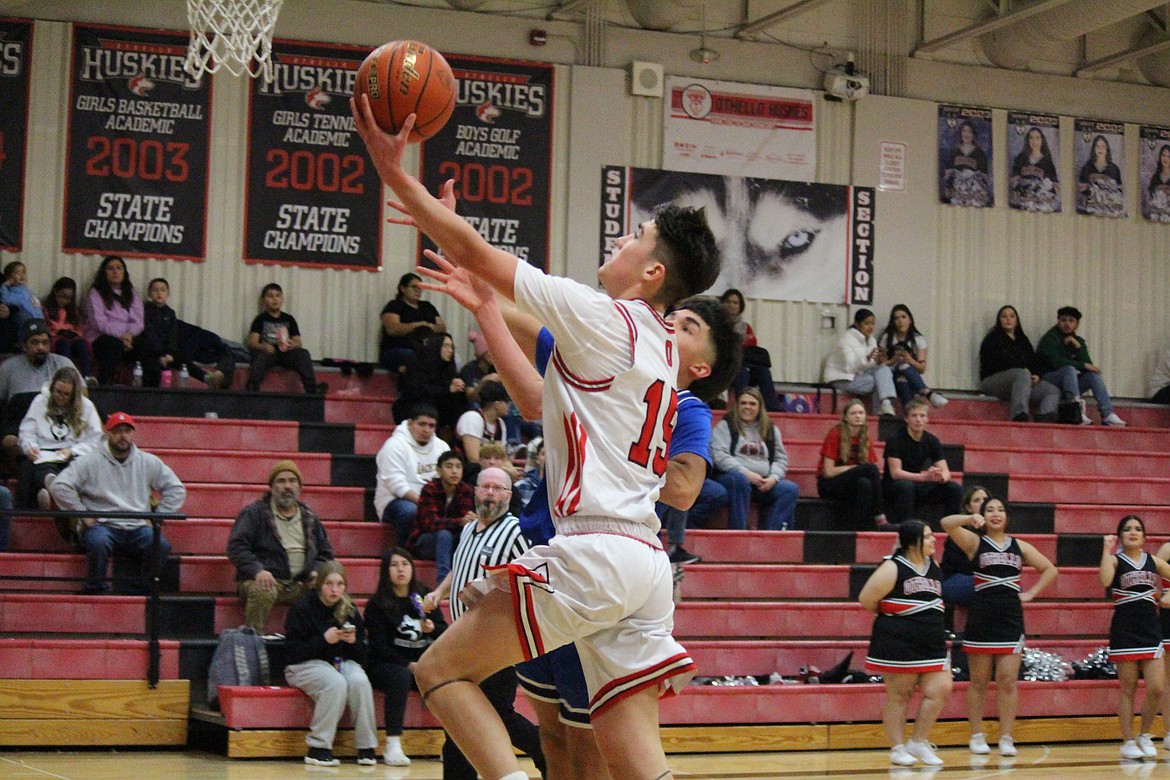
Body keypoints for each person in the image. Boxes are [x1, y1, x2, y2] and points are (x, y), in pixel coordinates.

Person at [354, 97, 720, 780]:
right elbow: (533, 397)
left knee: (440, 672)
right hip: (645, 565)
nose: (621, 241)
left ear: (653, 274)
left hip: (596, 549)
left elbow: (476, 251)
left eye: (635, 237)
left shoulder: (609, 319)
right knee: (636, 758)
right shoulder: (659, 355)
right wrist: (489, 308)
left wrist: (395, 176)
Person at [419, 467, 546, 779]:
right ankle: (547, 756)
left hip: (495, 641)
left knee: (492, 715)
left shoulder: (516, 531)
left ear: (509, 494)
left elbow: (532, 577)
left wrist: (489, 590)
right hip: (463, 637)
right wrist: (440, 590)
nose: (490, 493)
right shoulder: (468, 528)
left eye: (498, 488)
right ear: (474, 491)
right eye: (485, 487)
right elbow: (460, 566)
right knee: (460, 716)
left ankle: (549, 756)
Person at [942, 496, 1057, 758]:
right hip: (982, 614)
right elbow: (947, 524)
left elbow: (1049, 569)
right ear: (983, 516)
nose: (996, 514)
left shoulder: (1020, 546)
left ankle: (1006, 736)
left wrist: (1030, 594)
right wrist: (968, 520)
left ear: (1007, 516)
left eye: (1000, 510)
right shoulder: (975, 542)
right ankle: (976, 734)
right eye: (989, 510)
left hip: (1010, 618)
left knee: (1007, 681)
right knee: (979, 682)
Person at [49, 412, 185, 595]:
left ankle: (141, 593)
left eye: (127, 431)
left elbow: (176, 489)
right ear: (108, 433)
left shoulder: (148, 461)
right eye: (118, 431)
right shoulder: (90, 460)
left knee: (160, 545)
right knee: (98, 542)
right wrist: (82, 513)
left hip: (138, 526)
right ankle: (95, 589)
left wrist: (156, 517)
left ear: (133, 434)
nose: (123, 436)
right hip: (102, 525)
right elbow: (60, 485)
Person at [859, 520, 951, 767]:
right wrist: (898, 616)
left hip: (932, 640)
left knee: (940, 689)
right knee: (900, 695)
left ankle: (918, 741)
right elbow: (867, 599)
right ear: (913, 542)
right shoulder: (893, 567)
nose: (934, 540)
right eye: (929, 537)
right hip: (898, 641)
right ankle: (897, 748)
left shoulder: (934, 565)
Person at [283, 560, 379, 767]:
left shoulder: (350, 609)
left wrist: (354, 643)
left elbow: (362, 657)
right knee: (335, 682)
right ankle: (318, 747)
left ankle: (366, 747)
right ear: (319, 585)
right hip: (303, 665)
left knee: (360, 681)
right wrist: (323, 640)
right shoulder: (302, 608)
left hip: (338, 663)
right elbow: (291, 653)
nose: (335, 590)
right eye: (329, 584)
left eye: (340, 584)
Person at [226, 460, 335, 633]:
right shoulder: (254, 513)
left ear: (299, 487)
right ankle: (253, 641)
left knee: (332, 588)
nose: (287, 486)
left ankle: (319, 642)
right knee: (263, 590)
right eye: (281, 481)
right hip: (263, 580)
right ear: (272, 487)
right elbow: (236, 547)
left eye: (292, 481)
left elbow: (326, 554)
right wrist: (258, 570)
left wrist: (316, 571)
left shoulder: (310, 517)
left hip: (299, 582)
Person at [363, 547, 448, 767]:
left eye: (405, 564)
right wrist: (408, 664)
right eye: (394, 565)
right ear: (386, 571)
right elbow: (378, 647)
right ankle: (393, 744)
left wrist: (432, 629)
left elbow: (445, 633)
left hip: (422, 665)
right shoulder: (377, 605)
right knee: (399, 676)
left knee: (450, 679)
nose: (401, 569)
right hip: (387, 665)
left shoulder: (424, 597)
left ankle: (452, 746)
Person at [1101, 515, 1170, 760]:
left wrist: (1168, 594)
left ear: (1144, 536)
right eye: (1127, 529)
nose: (1133, 532)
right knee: (1128, 689)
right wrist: (1106, 550)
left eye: (1138, 529)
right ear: (1120, 535)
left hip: (1150, 629)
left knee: (1156, 687)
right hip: (1125, 629)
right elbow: (1105, 581)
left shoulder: (1153, 561)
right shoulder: (1114, 560)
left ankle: (1144, 734)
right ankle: (1128, 741)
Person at [709, 386, 799, 531]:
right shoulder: (726, 425)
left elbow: (780, 459)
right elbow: (719, 455)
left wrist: (774, 478)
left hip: (762, 482)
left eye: (752, 404)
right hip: (733, 478)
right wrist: (746, 473)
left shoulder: (770, 429)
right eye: (743, 403)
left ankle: (771, 535)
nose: (747, 407)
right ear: (737, 406)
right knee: (739, 480)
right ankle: (739, 533)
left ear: (759, 407)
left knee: (790, 489)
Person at [17, 366, 102, 510]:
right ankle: (50, 484)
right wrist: (30, 447)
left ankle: (51, 492)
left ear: (74, 394)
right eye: (57, 392)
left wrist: (73, 450)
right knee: (39, 468)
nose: (61, 397)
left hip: (73, 453)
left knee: (78, 468)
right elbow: (27, 431)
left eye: (66, 394)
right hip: (44, 452)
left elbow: (96, 439)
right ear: (52, 388)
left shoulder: (87, 406)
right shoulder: (40, 401)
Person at [0, 319, 76, 474]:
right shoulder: (8, 367)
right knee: (10, 442)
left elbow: (82, 396)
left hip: (58, 421)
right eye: (34, 343)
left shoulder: (63, 363)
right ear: (24, 345)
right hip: (21, 421)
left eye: (45, 342)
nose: (40, 347)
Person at [373, 403, 450, 548]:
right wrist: (425, 503)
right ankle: (403, 553)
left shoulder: (442, 447)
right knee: (410, 511)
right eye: (422, 424)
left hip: (430, 501)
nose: (427, 430)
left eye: (431, 426)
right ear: (410, 423)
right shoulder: (394, 445)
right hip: (395, 501)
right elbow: (397, 486)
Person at [136, 278, 234, 389]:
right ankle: (204, 377)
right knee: (158, 356)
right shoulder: (145, 311)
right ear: (149, 294)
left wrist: (171, 354)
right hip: (153, 350)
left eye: (162, 290)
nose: (159, 293)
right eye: (155, 290)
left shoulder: (170, 313)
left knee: (182, 358)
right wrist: (160, 355)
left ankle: (207, 378)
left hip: (168, 350)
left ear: (167, 294)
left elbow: (172, 336)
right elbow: (150, 334)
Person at [1036, 305, 1125, 426]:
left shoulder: (1077, 341)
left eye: (1071, 321)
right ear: (1058, 321)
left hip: (1068, 385)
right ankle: (1076, 411)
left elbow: (1088, 366)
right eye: (1063, 320)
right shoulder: (1050, 339)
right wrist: (1082, 364)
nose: (1067, 324)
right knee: (1069, 369)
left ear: (1077, 324)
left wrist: (1078, 347)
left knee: (1093, 376)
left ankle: (1108, 414)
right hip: (1049, 380)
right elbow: (1056, 362)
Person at [883, 398, 961, 527]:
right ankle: (904, 529)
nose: (918, 420)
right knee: (906, 487)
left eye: (922, 416)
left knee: (953, 488)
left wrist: (940, 477)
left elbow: (946, 471)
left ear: (927, 419)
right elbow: (896, 473)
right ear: (907, 419)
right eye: (914, 416)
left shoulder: (932, 440)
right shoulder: (895, 439)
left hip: (917, 483)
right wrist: (924, 477)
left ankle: (953, 530)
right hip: (893, 485)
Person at [978, 305, 1059, 422]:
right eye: (1004, 316)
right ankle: (1018, 414)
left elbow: (1034, 361)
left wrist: (1036, 375)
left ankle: (1044, 416)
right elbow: (993, 364)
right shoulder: (992, 339)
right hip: (993, 382)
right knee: (1022, 373)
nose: (1008, 319)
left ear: (1016, 320)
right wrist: (1023, 371)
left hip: (1022, 383)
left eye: (1011, 316)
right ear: (999, 320)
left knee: (1052, 390)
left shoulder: (1023, 340)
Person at [816, 398, 885, 531]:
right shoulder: (836, 433)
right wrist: (854, 468)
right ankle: (880, 517)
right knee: (870, 469)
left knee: (865, 484)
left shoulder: (865, 437)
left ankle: (857, 530)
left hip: (850, 484)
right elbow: (828, 472)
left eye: (861, 413)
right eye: (853, 413)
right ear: (846, 417)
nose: (858, 416)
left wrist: (857, 470)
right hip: (828, 484)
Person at [246, 283, 325, 394]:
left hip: (285, 352)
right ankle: (252, 389)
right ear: (264, 300)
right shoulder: (260, 319)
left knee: (303, 354)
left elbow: (298, 342)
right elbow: (252, 342)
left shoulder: (289, 319)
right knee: (259, 357)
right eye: (270, 296)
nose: (274, 299)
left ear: (282, 299)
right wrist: (263, 346)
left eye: (277, 296)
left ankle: (312, 389)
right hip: (268, 353)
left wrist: (292, 344)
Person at [409, 449, 475, 581]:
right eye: (449, 466)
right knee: (444, 535)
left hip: (452, 542)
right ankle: (443, 582)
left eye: (458, 467)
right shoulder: (430, 489)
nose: (454, 471)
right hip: (425, 542)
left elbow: (466, 522)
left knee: (470, 534)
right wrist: (460, 522)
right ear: (439, 471)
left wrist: (469, 520)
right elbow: (430, 524)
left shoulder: (466, 490)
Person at [823, 308, 898, 417]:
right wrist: (866, 359)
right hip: (841, 378)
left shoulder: (871, 340)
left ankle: (885, 405)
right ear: (857, 324)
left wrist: (878, 362)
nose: (870, 327)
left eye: (872, 324)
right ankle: (880, 412)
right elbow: (850, 368)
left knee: (884, 370)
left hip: (858, 377)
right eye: (866, 323)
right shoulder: (846, 340)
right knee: (877, 381)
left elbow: (870, 367)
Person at [84, 255, 143, 386]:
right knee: (113, 345)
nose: (115, 271)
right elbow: (99, 323)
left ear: (124, 272)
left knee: (146, 346)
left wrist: (129, 336)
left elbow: (138, 321)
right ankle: (103, 388)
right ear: (104, 273)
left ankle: (148, 393)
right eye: (110, 269)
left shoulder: (131, 293)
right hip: (101, 337)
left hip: (128, 338)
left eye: (119, 268)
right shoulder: (96, 293)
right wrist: (122, 336)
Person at [392, 331, 467, 429]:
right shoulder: (418, 363)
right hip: (412, 407)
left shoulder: (448, 368)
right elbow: (416, 391)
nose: (450, 351)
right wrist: (447, 389)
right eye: (446, 346)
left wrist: (458, 385)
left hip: (437, 407)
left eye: (451, 347)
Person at [720, 288, 779, 412]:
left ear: (740, 307)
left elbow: (751, 345)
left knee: (764, 372)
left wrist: (736, 342)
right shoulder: (716, 324)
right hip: (725, 367)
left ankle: (772, 410)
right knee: (742, 372)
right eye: (729, 301)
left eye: (735, 303)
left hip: (744, 363)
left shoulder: (745, 327)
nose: (731, 305)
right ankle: (742, 409)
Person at [877, 304, 947, 409]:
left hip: (910, 379)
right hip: (890, 380)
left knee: (903, 377)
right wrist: (893, 360)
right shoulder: (887, 338)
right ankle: (928, 393)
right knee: (901, 366)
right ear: (893, 322)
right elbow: (880, 366)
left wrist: (910, 360)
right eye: (896, 318)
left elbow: (922, 369)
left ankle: (908, 415)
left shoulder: (918, 340)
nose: (900, 321)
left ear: (910, 320)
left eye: (903, 317)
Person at [379, 272, 446, 374]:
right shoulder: (394, 305)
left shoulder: (427, 306)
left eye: (420, 287)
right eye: (414, 287)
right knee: (414, 356)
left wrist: (428, 327)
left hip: (424, 350)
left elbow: (442, 327)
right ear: (403, 288)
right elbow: (392, 329)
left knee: (450, 358)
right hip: (397, 350)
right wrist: (418, 325)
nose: (418, 290)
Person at [939, 485, 987, 624]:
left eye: (985, 499)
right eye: (977, 500)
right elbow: (963, 566)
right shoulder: (959, 532)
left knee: (1007, 585)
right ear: (968, 508)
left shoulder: (994, 532)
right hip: (953, 580)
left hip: (977, 581)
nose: (982, 502)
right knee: (989, 584)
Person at [42, 277, 92, 379]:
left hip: (72, 339)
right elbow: (44, 327)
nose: (66, 301)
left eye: (69, 298)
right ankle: (65, 377)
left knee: (82, 345)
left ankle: (86, 376)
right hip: (56, 340)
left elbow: (79, 329)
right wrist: (58, 332)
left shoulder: (74, 311)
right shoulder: (46, 309)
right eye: (63, 296)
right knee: (63, 346)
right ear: (56, 292)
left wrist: (73, 333)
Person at [455, 379, 511, 464]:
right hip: (468, 471)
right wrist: (508, 471)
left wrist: (514, 471)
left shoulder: (501, 424)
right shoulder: (472, 418)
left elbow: (504, 458)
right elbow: (474, 459)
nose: (509, 405)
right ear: (497, 405)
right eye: (507, 402)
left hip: (491, 470)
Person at [1009, 126, 1060, 212]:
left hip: (1041, 203)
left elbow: (1056, 187)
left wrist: (1046, 187)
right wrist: (1022, 187)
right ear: (1028, 140)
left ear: (1042, 140)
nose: (1034, 141)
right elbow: (1012, 181)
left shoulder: (1047, 161)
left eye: (1037, 138)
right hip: (1023, 204)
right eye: (1031, 138)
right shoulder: (1021, 158)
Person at [942, 120, 991, 207]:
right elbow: (947, 174)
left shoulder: (980, 153)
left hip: (973, 193)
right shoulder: (954, 151)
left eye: (969, 131)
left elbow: (984, 177)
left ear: (973, 134)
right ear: (960, 133)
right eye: (964, 131)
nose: (966, 134)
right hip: (957, 193)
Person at [0, 261, 42, 334]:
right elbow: (6, 300)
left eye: (23, 272)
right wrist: (5, 286)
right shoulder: (12, 292)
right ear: (9, 278)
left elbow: (36, 303)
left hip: (38, 319)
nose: (22, 275)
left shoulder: (28, 290)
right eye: (17, 273)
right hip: (28, 321)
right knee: (29, 334)